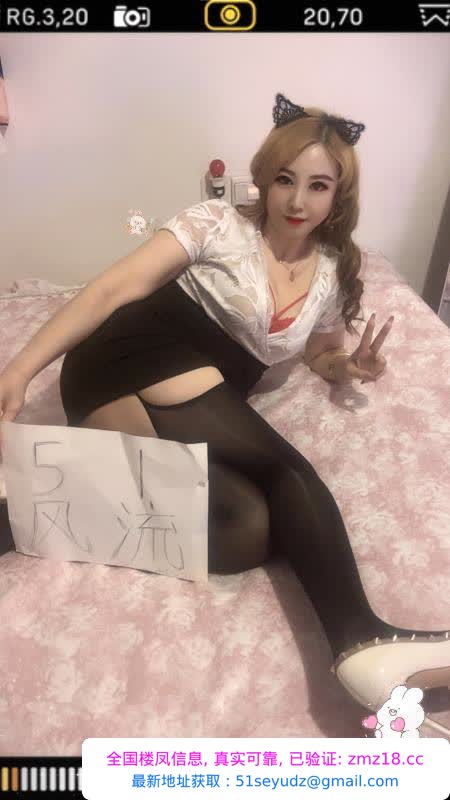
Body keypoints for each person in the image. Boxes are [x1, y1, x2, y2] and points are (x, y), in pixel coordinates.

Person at [0, 92, 449, 720]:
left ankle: (17, 513)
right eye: (285, 179)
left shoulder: (330, 272)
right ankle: (361, 638)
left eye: (318, 186)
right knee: (286, 470)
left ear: (337, 196)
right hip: (136, 350)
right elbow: (110, 289)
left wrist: (350, 368)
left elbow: (322, 353)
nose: (297, 201)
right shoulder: (216, 224)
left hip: (189, 386)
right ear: (264, 178)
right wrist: (20, 369)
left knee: (245, 529)